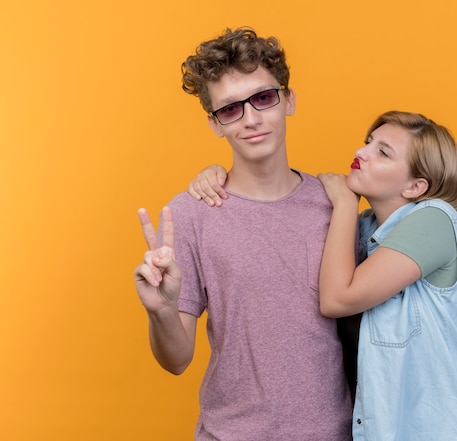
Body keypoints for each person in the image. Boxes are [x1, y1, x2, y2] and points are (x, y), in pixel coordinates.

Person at [191, 111, 457, 440]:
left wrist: (343, 203)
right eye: (368, 142)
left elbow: (338, 298)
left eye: (382, 152)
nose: (360, 152)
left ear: (416, 186)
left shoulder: (435, 219)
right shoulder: (363, 232)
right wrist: (219, 180)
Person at [133, 27, 352, 441]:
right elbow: (177, 360)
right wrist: (160, 311)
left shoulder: (337, 204)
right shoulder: (191, 214)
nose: (251, 119)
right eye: (230, 109)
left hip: (335, 432)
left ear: (288, 100)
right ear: (215, 124)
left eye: (263, 98)